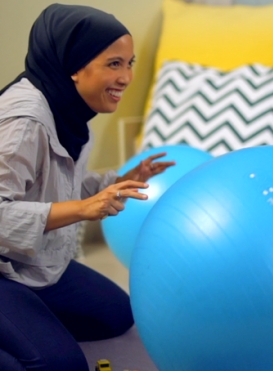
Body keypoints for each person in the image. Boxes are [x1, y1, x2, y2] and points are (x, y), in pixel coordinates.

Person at [0, 4, 174, 370]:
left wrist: (119, 182)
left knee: (115, 314)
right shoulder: (24, 122)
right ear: (74, 66)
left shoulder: (70, 108)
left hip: (27, 261)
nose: (127, 77)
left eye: (130, 63)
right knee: (61, 365)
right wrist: (85, 209)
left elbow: (56, 184)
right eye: (114, 64)